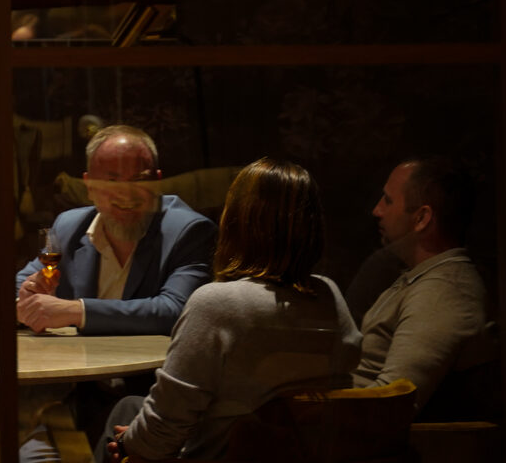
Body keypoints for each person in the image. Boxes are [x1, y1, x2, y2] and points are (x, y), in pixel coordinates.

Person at [100, 157, 361, 462]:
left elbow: (164, 427)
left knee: (123, 419)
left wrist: (130, 444)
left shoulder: (218, 304)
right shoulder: (330, 297)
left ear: (238, 222)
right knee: (130, 407)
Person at [0, 125, 218, 335]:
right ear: (89, 186)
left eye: (139, 180)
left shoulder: (189, 232)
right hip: (81, 366)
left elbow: (177, 310)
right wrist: (24, 306)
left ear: (157, 183)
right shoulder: (69, 227)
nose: (126, 194)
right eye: (112, 182)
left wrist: (75, 311)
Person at [350, 156, 489, 413]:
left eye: (388, 200)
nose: (377, 211)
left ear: (422, 218)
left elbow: (392, 404)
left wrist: (309, 413)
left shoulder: (442, 292)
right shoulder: (420, 278)